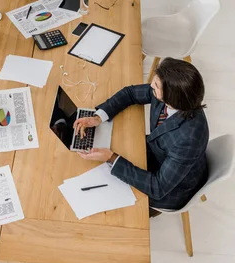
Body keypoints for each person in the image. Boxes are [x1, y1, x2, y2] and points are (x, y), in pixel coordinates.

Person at [74, 58, 209, 211]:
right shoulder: (173, 96)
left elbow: (157, 188)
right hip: (159, 154)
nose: (151, 85)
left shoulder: (188, 139)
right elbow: (130, 93)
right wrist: (98, 117)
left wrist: (111, 158)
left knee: (99, 196)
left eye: (156, 86)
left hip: (171, 190)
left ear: (171, 97)